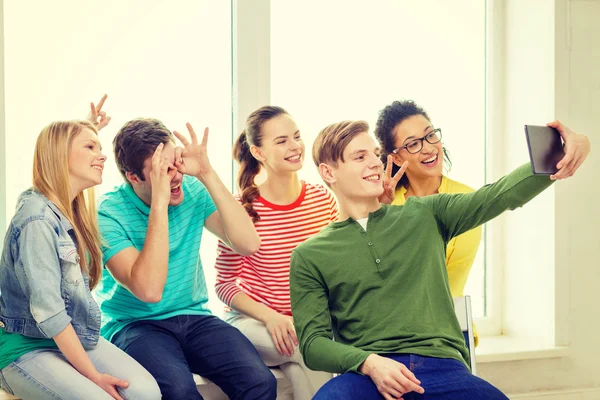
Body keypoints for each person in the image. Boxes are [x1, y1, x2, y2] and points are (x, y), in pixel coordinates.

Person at [290, 119, 590, 399]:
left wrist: (561, 153)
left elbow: (499, 196)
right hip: (365, 378)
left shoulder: (424, 213)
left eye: (375, 153)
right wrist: (368, 363)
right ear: (329, 172)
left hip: (444, 370)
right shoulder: (310, 255)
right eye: (359, 157)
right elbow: (313, 345)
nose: (374, 162)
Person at [94, 117, 277, 399]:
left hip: (194, 316)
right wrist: (160, 201)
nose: (176, 176)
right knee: (179, 391)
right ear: (134, 177)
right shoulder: (107, 214)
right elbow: (149, 291)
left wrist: (206, 172)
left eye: (176, 162)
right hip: (134, 324)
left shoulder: (192, 189)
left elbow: (248, 244)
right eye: (163, 170)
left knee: (260, 382)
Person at [0, 96, 161, 400]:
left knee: (147, 393)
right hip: (25, 346)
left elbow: (61, 151)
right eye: (90, 148)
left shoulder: (67, 211)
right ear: (61, 156)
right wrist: (93, 377)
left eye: (99, 148)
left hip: (71, 335)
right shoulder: (36, 219)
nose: (101, 156)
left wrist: (87, 128)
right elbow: (50, 314)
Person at [214, 106, 337, 399]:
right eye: (281, 141)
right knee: (307, 346)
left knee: (298, 364)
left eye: (296, 137)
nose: (295, 147)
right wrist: (271, 317)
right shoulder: (241, 209)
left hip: (306, 322)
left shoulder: (322, 199)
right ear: (258, 153)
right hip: (255, 322)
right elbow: (224, 285)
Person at [373, 100, 482, 344]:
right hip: (390, 331)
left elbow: (447, 279)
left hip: (450, 327)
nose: (428, 148)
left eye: (430, 135)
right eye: (413, 144)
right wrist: (378, 211)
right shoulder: (384, 203)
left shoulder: (466, 200)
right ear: (396, 158)